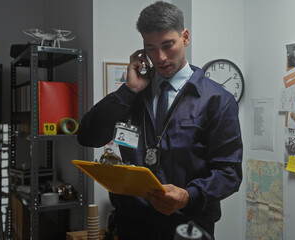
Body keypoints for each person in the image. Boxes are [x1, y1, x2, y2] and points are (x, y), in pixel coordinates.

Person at [77, 1, 243, 239]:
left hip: (188, 228)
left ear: (185, 37)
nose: (161, 57)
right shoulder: (133, 95)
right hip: (131, 227)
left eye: (168, 45)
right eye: (151, 49)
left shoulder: (217, 99)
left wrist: (189, 196)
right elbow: (87, 136)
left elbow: (229, 173)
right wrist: (128, 90)